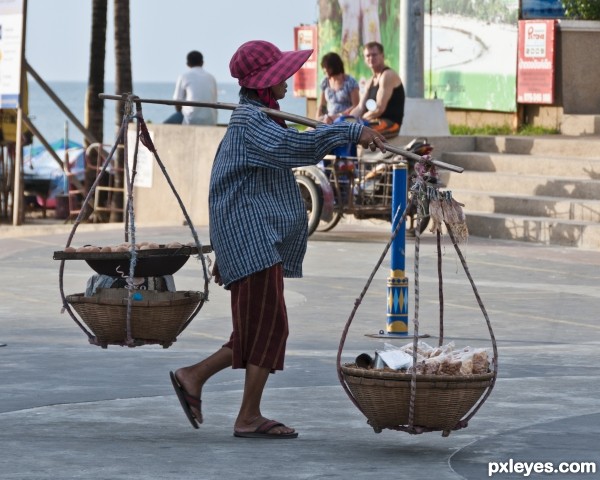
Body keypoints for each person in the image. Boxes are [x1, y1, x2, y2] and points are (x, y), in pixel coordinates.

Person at [169, 40, 386, 439]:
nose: (288, 79)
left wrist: (228, 245)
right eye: (281, 75)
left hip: (252, 239)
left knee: (257, 327)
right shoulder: (251, 123)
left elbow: (236, 185)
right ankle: (246, 415)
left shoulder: (259, 119)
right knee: (269, 327)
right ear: (266, 83)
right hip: (250, 240)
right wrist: (350, 130)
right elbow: (297, 148)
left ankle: (194, 377)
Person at [350, 41, 405, 138]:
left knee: (357, 130)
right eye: (368, 56)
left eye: (374, 55)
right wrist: (347, 120)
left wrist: (358, 121)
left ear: (382, 56)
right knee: (344, 127)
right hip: (373, 121)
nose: (371, 58)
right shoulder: (370, 80)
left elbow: (379, 109)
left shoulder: (387, 75)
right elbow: (360, 107)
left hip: (390, 123)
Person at [164, 50, 218, 125]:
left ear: (188, 63)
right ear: (202, 62)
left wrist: (180, 113)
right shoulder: (211, 78)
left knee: (163, 125)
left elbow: (176, 101)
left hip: (191, 120)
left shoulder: (184, 76)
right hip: (211, 120)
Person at [315, 52, 359, 125]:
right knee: (309, 130)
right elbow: (322, 105)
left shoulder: (350, 82)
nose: (324, 70)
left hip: (346, 119)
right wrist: (316, 121)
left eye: (326, 67)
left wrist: (338, 116)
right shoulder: (325, 82)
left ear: (333, 67)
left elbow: (356, 105)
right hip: (328, 118)